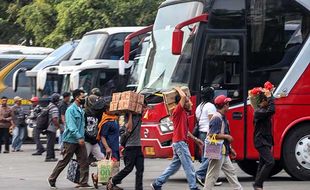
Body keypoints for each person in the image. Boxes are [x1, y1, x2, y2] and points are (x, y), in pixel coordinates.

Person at [151, 87, 204, 190]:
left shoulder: (183, 113)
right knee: (189, 165)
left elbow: (186, 132)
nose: (191, 104)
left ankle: (157, 184)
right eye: (188, 102)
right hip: (180, 144)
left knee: (174, 167)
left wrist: (195, 140)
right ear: (182, 103)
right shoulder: (177, 111)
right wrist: (178, 88)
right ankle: (193, 187)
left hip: (179, 143)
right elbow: (183, 96)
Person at [48, 89, 92, 189]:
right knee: (65, 161)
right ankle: (52, 178)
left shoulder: (81, 109)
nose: (84, 98)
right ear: (77, 98)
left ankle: (83, 182)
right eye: (82, 96)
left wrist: (82, 137)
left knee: (84, 160)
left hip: (80, 140)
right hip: (71, 140)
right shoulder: (70, 110)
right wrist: (79, 137)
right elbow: (71, 126)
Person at [203, 95, 242, 190]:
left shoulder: (221, 117)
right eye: (227, 103)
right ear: (224, 105)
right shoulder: (217, 118)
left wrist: (230, 148)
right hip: (218, 151)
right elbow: (212, 135)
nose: (228, 105)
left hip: (224, 151)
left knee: (231, 173)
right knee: (212, 176)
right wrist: (227, 136)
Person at [107, 110, 145, 190]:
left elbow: (143, 111)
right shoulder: (127, 118)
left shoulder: (139, 116)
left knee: (140, 169)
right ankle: (113, 181)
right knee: (128, 168)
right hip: (130, 148)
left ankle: (139, 188)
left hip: (138, 146)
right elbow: (130, 129)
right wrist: (130, 114)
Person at [195, 87, 222, 187]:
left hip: (201, 133)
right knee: (212, 156)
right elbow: (212, 121)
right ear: (211, 95)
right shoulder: (210, 106)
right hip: (209, 133)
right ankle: (198, 174)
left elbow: (199, 120)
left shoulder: (199, 106)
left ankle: (208, 179)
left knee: (205, 156)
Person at [92, 104, 120, 189]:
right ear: (106, 110)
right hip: (109, 147)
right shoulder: (106, 122)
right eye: (111, 109)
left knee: (108, 166)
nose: (113, 110)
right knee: (112, 165)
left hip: (114, 146)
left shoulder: (113, 119)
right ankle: (111, 185)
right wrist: (107, 147)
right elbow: (102, 136)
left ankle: (96, 177)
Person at [253, 90, 275, 190]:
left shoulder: (263, 111)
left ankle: (258, 185)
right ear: (262, 101)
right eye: (266, 100)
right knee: (270, 162)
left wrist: (270, 94)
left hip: (266, 141)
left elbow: (271, 109)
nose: (268, 102)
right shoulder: (258, 111)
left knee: (262, 163)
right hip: (261, 141)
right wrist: (270, 97)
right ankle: (258, 184)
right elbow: (272, 110)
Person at [84, 95, 105, 161]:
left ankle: (102, 171)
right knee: (84, 159)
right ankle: (79, 171)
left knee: (102, 158)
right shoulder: (84, 112)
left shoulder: (97, 112)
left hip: (94, 140)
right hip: (86, 140)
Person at [45, 93, 61, 162]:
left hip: (48, 126)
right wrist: (58, 126)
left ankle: (52, 156)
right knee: (50, 143)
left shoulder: (49, 106)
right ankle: (49, 157)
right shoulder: (54, 108)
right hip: (51, 127)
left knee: (50, 142)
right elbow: (54, 119)